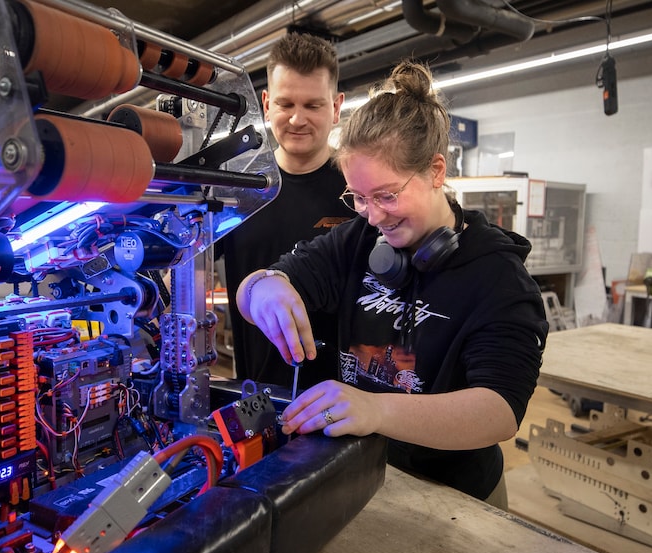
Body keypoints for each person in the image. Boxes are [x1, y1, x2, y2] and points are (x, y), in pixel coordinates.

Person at [235, 60, 548, 507]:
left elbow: (499, 412)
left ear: (436, 172)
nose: (373, 216)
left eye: (386, 195)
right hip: (365, 478)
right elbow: (260, 284)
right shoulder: (357, 241)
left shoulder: (498, 277)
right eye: (358, 197)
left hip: (457, 498)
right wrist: (264, 288)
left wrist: (376, 409)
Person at [219, 32, 356, 392]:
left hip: (349, 397)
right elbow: (185, 264)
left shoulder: (360, 191)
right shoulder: (238, 189)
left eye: (313, 105)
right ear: (266, 104)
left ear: (337, 106)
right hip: (257, 394)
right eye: (285, 104)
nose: (297, 120)